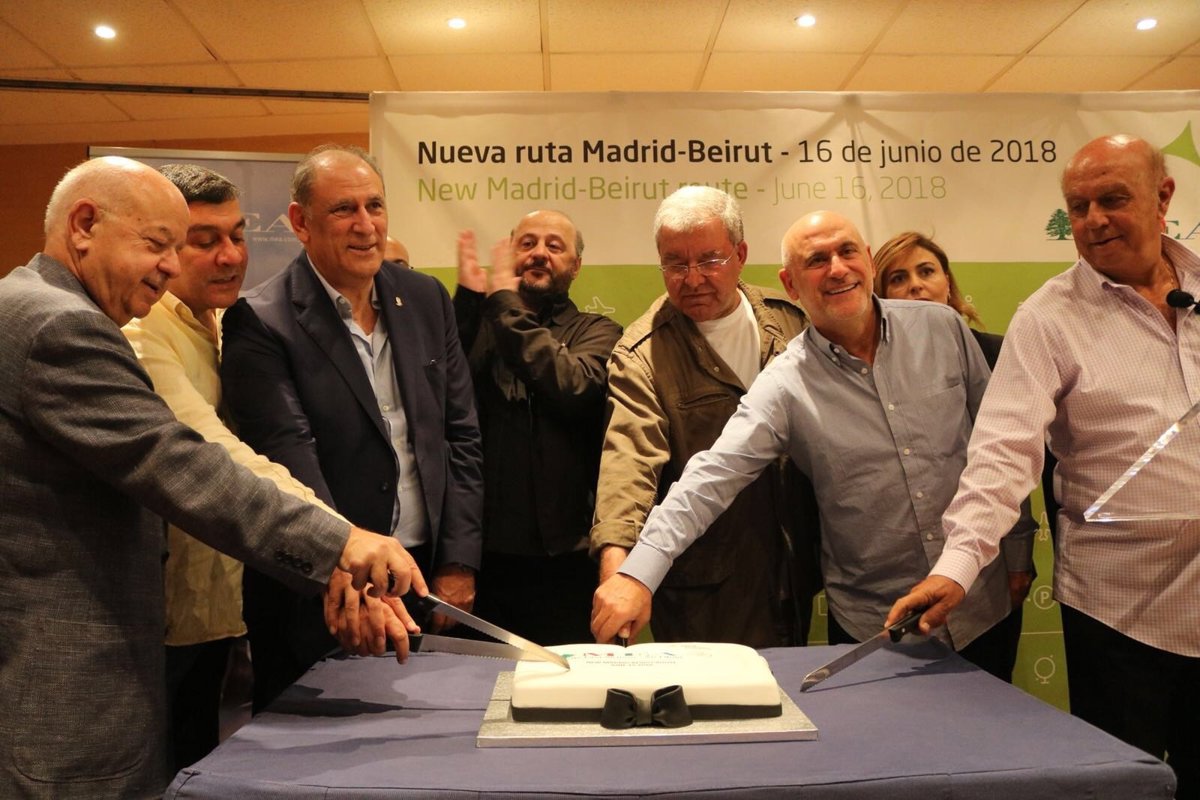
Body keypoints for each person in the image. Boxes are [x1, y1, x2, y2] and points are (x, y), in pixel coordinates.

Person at [0, 156, 424, 799]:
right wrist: (342, 542)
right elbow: (182, 463)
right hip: (63, 683)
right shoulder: (61, 326)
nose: (172, 268)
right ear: (83, 225)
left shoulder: (35, 304)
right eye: (158, 244)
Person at [593, 211, 1035, 683]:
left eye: (847, 252)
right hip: (877, 627)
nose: (837, 269)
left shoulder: (942, 328)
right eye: (817, 261)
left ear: (868, 260)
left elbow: (998, 447)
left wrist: (1018, 554)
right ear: (790, 284)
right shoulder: (786, 383)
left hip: (982, 601)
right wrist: (636, 573)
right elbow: (708, 479)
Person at [888, 134, 1199, 798]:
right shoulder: (1048, 319)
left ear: (1163, 197)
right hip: (1120, 615)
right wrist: (957, 567)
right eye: (1078, 207)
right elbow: (1001, 456)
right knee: (1125, 789)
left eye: (1112, 200)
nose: (1093, 220)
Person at [122, 164, 404, 770]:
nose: (230, 256)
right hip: (166, 619)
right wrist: (342, 542)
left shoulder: (224, 321)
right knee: (168, 772)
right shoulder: (143, 335)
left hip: (228, 605)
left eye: (237, 235)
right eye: (204, 241)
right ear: (166, 249)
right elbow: (215, 454)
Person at [221, 144, 484, 712]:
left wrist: (457, 562)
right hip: (319, 591)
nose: (366, 225)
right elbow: (289, 456)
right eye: (344, 210)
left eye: (375, 206)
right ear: (300, 223)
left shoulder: (426, 298)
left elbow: (460, 434)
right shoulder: (260, 320)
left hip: (420, 579)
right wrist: (345, 568)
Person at [589, 185, 820, 648]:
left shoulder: (791, 321)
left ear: (740, 255)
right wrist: (618, 575)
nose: (692, 279)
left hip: (796, 567)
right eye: (675, 264)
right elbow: (628, 465)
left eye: (710, 260)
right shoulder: (643, 354)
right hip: (705, 587)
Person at [454, 211, 622, 644]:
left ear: (576, 266)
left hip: (567, 565)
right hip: (481, 565)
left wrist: (503, 306)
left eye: (554, 245)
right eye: (527, 243)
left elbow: (574, 386)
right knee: (472, 683)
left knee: (571, 683)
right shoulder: (474, 324)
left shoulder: (598, 330)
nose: (539, 253)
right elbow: (438, 398)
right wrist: (469, 304)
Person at [873, 232, 1060, 539]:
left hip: (995, 532)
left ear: (947, 284)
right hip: (910, 535)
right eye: (898, 278)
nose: (915, 285)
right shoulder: (874, 373)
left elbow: (1019, 455)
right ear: (880, 297)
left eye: (926, 271)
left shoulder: (999, 354)